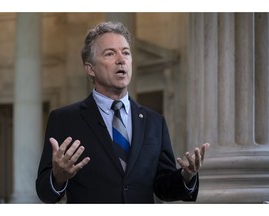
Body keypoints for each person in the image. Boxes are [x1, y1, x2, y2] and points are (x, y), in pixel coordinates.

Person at [35, 21, 210, 203]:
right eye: (110, 53)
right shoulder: (65, 119)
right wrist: (57, 178)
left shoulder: (154, 121)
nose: (121, 59)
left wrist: (186, 177)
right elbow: (45, 192)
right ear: (90, 68)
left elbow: (162, 187)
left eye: (126, 52)